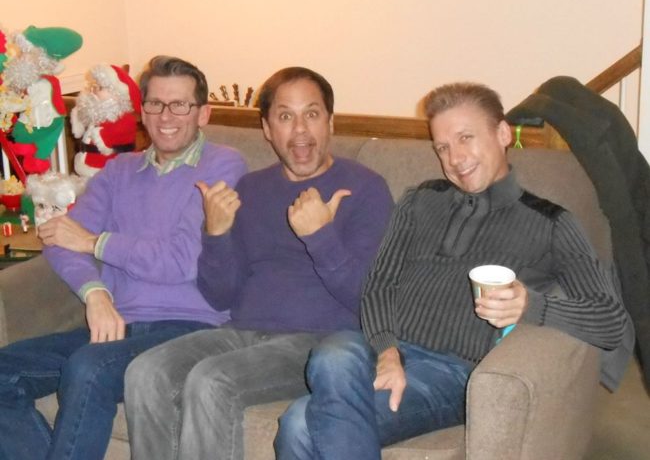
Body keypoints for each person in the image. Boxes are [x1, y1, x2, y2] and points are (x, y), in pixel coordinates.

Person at [274, 82, 629, 459]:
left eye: (466, 138)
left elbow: (610, 321)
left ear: (503, 134)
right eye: (442, 147)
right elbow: (379, 283)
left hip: (453, 371)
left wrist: (532, 306)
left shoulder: (551, 222)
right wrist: (388, 351)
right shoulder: (419, 200)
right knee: (330, 354)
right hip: (380, 345)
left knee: (299, 424)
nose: (455, 158)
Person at [125, 66, 394, 460]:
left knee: (210, 380)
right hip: (243, 331)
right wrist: (216, 234)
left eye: (312, 114)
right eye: (285, 116)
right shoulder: (251, 188)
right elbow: (220, 296)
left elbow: (370, 298)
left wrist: (321, 237)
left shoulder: (366, 188)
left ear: (330, 122)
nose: (300, 130)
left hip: (322, 340)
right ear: (267, 128)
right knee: (144, 372)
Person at [0, 55, 247, 460]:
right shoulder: (119, 171)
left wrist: (96, 242)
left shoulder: (223, 163)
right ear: (141, 112)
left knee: (89, 369)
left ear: (203, 113)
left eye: (180, 105)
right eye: (155, 104)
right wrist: (95, 292)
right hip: (119, 327)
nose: (166, 116)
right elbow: (62, 240)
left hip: (192, 330)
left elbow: (182, 260)